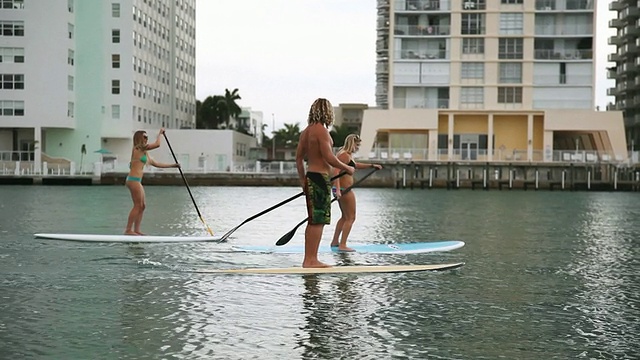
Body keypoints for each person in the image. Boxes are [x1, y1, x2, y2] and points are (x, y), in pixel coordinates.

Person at [296, 98, 355, 268]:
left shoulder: (306, 131)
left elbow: (299, 159)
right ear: (327, 112)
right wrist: (347, 168)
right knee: (318, 220)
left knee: (314, 220)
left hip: (311, 178)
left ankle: (309, 259)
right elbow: (329, 157)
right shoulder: (321, 131)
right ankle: (311, 260)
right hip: (319, 179)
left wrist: (302, 181)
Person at [330, 134, 382, 252]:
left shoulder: (346, 155)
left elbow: (355, 165)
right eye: (357, 145)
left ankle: (335, 242)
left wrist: (371, 165)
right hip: (344, 190)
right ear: (352, 143)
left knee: (344, 217)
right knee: (351, 218)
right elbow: (336, 171)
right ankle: (343, 245)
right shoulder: (343, 155)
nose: (358, 148)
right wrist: (338, 189)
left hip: (341, 189)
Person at [124, 128, 180, 235]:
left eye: (147, 137)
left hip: (137, 181)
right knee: (137, 205)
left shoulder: (144, 153)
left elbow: (157, 164)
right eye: (144, 137)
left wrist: (173, 165)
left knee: (142, 206)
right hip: (133, 180)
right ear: (139, 138)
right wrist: (160, 134)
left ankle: (136, 230)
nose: (146, 139)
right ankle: (128, 230)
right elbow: (157, 144)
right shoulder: (137, 149)